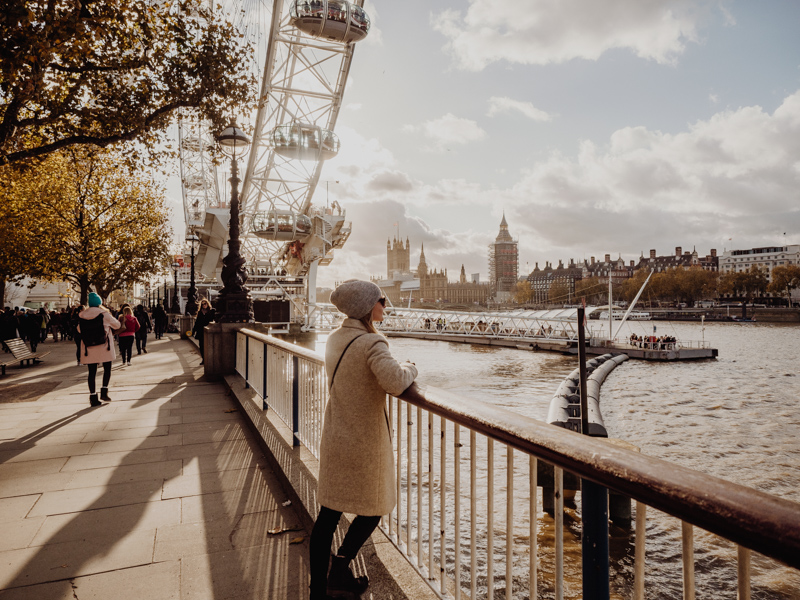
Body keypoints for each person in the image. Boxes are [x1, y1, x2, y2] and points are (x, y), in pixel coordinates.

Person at [309, 280, 418, 600]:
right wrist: (411, 366)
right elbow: (396, 382)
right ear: (369, 306)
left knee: (328, 514)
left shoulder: (334, 338)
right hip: (364, 443)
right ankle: (340, 567)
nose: (386, 304)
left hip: (335, 435)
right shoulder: (373, 344)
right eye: (382, 299)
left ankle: (319, 588)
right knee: (375, 506)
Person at [79, 293, 121, 407]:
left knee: (91, 373)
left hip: (89, 347)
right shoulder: (104, 314)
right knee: (107, 369)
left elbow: (79, 330)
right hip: (104, 346)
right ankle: (104, 391)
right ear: (99, 303)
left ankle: (93, 397)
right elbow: (117, 325)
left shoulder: (82, 315)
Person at [192, 298, 215, 364]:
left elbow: (214, 319)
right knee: (201, 346)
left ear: (207, 304)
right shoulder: (200, 312)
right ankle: (204, 359)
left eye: (205, 304)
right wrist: (193, 330)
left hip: (209, 330)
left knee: (208, 345)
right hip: (201, 331)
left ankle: (209, 359)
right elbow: (197, 322)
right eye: (202, 304)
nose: (204, 305)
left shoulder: (212, 311)